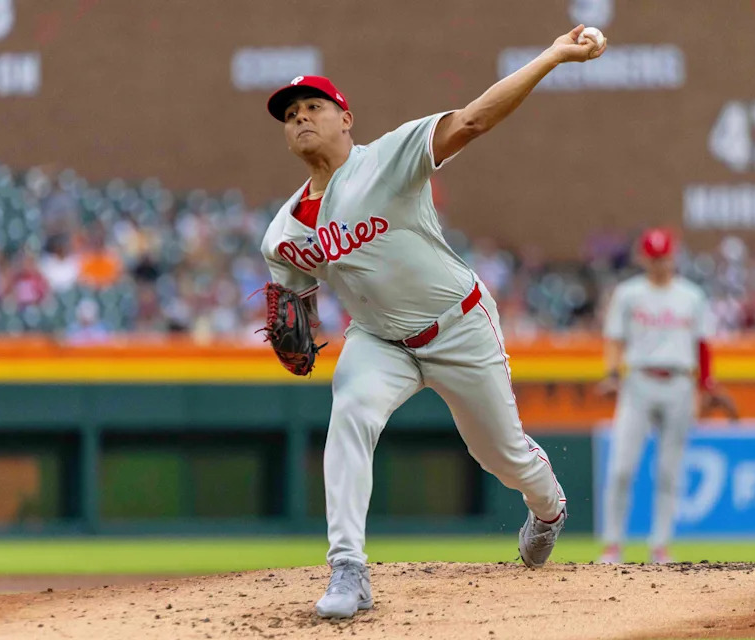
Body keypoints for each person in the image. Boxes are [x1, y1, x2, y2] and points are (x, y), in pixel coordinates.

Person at [259, 26, 607, 618]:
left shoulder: (389, 157)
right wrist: (296, 328)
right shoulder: (282, 234)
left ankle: (549, 508)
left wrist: (552, 55)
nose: (300, 117)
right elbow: (295, 303)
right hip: (378, 340)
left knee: (499, 454)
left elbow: (471, 122)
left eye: (314, 106)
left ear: (346, 118)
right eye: (290, 113)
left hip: (459, 324)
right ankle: (348, 569)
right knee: (350, 414)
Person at [597, 228, 730, 564]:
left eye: (665, 257)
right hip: (638, 380)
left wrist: (706, 387)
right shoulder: (628, 294)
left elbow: (702, 345)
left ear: (674, 256)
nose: (660, 264)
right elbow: (614, 340)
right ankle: (613, 545)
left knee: (670, 471)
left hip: (680, 383)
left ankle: (660, 546)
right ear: (644, 258)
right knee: (621, 468)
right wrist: (612, 374)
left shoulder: (691, 296)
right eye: (654, 258)